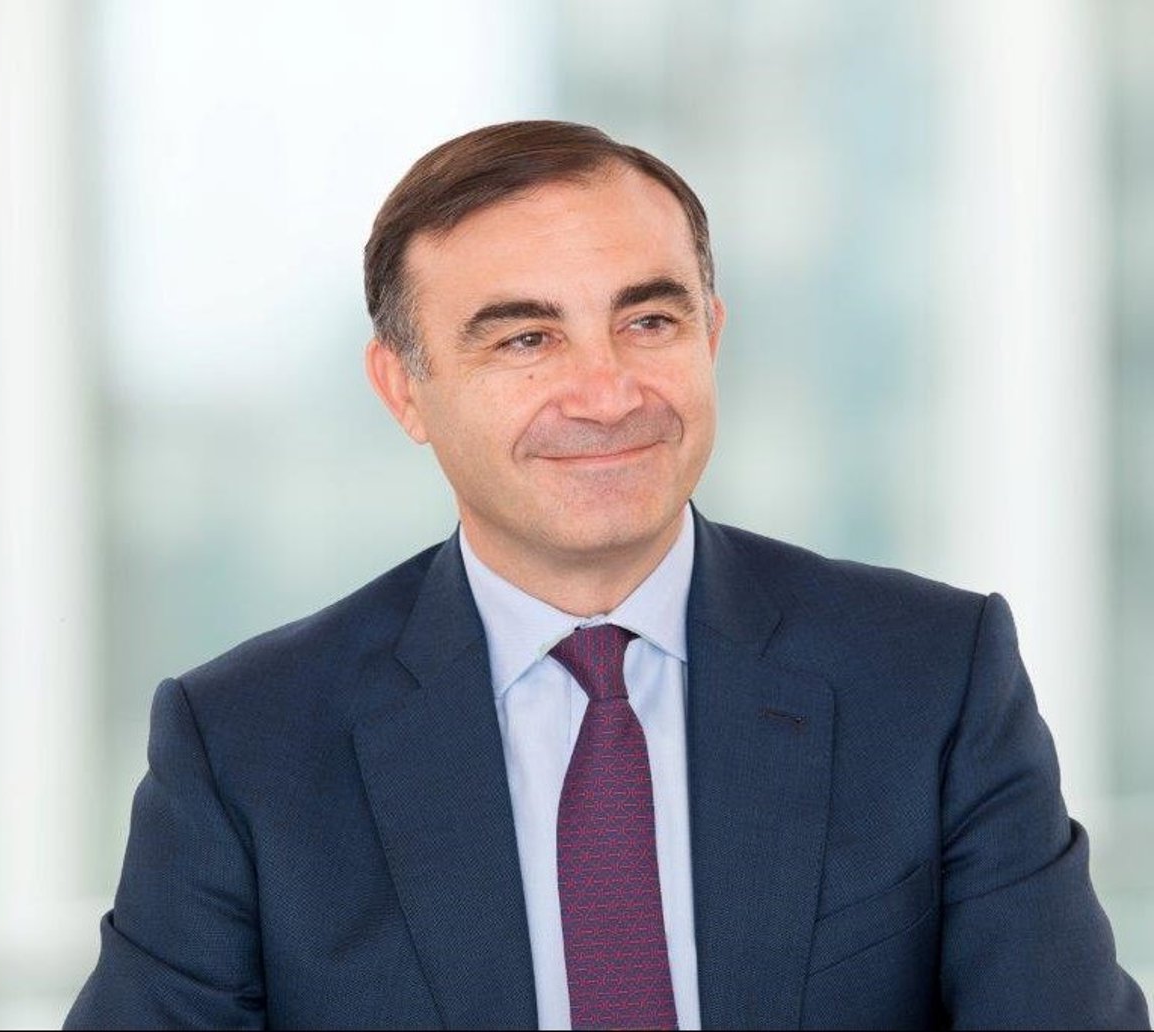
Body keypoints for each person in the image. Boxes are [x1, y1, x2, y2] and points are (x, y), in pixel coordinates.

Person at [66, 120, 1148, 1030]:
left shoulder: (931, 677)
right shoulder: (246, 744)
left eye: (649, 321)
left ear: (711, 336)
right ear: (403, 390)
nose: (608, 392)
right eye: (525, 341)